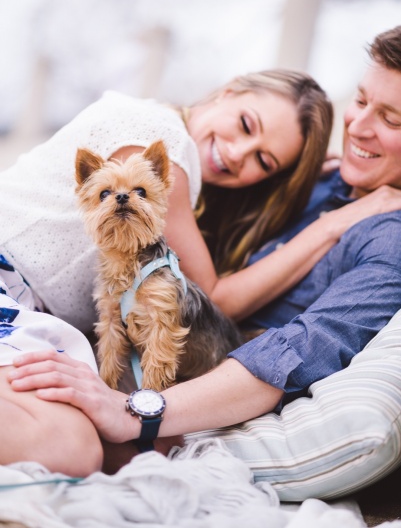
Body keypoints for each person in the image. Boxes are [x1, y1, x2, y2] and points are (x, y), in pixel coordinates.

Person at [8, 26, 401, 475]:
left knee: (79, 447)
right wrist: (332, 215)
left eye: (392, 120)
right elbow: (212, 290)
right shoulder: (161, 143)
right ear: (229, 91)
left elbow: (303, 344)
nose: (359, 127)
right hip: (19, 290)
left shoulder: (386, 236)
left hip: (114, 344)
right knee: (69, 447)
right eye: (363, 101)